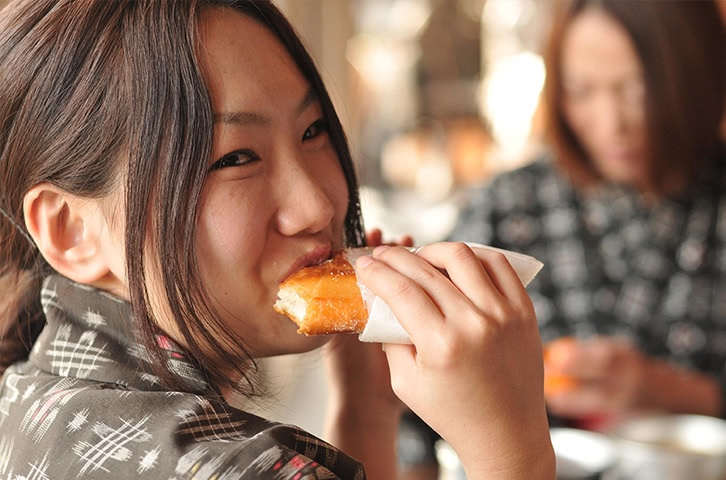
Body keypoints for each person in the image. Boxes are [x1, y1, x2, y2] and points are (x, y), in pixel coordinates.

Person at [0, 0, 555, 478]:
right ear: (70, 230)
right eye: (235, 157)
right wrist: (510, 448)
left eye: (313, 131)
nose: (316, 206)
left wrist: (364, 412)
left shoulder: (26, 395)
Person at [399, 0, 726, 477]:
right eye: (581, 90)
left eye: (637, 90)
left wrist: (669, 389)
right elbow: (413, 408)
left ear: (698, 74)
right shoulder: (511, 205)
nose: (612, 122)